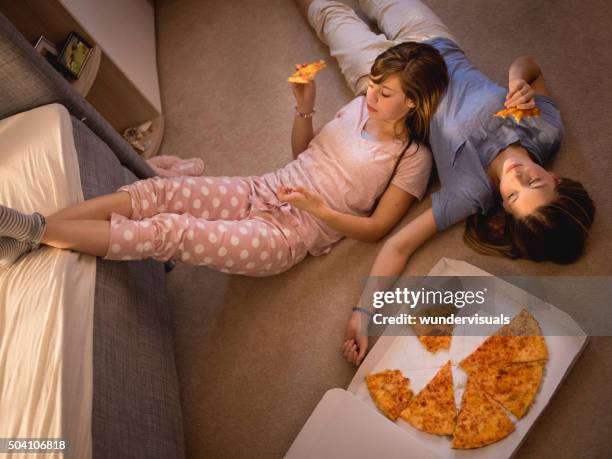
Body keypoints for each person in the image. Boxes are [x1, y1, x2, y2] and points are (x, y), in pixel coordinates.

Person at [0, 34, 450, 275]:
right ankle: (31, 230)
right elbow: (304, 154)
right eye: (373, 83)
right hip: (267, 187)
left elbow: (374, 230)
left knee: (169, 233)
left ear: (413, 103)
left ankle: (32, 229)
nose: (371, 94)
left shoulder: (412, 157)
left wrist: (317, 209)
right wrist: (304, 106)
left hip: (292, 234)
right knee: (157, 191)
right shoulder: (358, 105)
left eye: (385, 92)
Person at [301, 0, 597, 365]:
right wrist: (518, 79)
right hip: (432, 41)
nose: (516, 178)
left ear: (503, 206)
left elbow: (399, 245)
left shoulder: (469, 192)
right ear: (556, 177)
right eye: (535, 184)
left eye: (513, 196)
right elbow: (531, 67)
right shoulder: (546, 129)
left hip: (387, 87)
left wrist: (363, 314)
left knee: (329, 14)